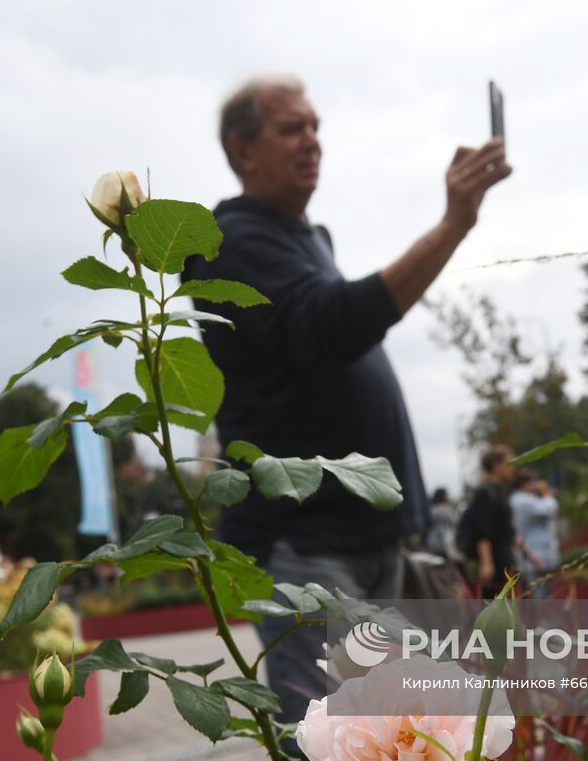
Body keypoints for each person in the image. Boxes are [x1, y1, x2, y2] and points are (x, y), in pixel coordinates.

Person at [181, 75, 511, 726]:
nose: (312, 142)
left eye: (316, 128)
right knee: (330, 754)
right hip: (304, 540)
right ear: (243, 149)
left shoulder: (305, 238)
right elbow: (330, 322)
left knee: (382, 740)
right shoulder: (226, 240)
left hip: (364, 536)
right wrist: (452, 225)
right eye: (291, 129)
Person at [463, 444, 518, 598]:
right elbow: (482, 531)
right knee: (491, 607)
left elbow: (505, 527)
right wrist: (487, 563)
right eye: (509, 463)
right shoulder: (485, 493)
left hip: (503, 558)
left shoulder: (500, 491)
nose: (512, 467)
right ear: (496, 465)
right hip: (494, 562)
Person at [510, 471, 561, 583]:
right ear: (524, 483)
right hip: (534, 556)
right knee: (538, 594)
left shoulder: (524, 499)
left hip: (535, 555)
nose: (534, 486)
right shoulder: (522, 500)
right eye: (532, 483)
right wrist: (547, 494)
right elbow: (548, 510)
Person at [426, 487, 463, 563]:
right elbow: (456, 522)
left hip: (432, 540)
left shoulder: (431, 509)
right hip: (447, 541)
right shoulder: (447, 509)